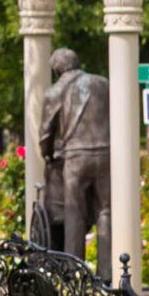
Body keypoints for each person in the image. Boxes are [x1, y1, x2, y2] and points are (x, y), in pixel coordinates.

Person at [38, 45, 111, 259]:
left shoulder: (55, 91)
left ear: (57, 71)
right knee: (106, 211)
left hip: (76, 158)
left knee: (75, 212)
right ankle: (107, 273)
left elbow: (45, 134)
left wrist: (47, 154)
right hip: (106, 155)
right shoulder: (103, 83)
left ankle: (74, 270)